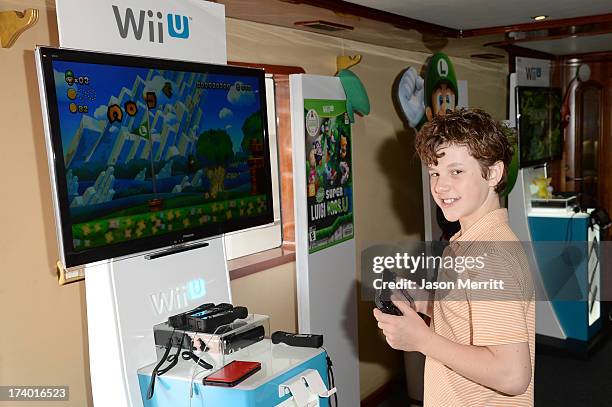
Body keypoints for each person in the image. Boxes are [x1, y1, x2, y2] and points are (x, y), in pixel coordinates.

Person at [373, 108, 535, 406]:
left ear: (494, 173)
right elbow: (470, 318)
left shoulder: (490, 256)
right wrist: (422, 300)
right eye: (435, 172)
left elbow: (513, 376)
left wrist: (421, 339)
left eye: (456, 171)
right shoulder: (469, 241)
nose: (440, 186)